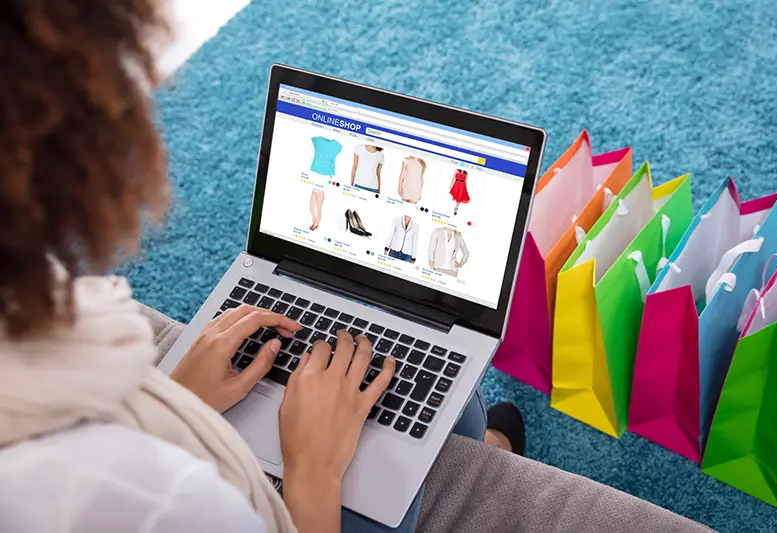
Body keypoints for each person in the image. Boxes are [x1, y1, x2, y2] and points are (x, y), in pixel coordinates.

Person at [0, 2, 526, 533]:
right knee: (426, 373)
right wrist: (313, 469)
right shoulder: (158, 501)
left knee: (431, 365)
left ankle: (478, 443)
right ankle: (485, 450)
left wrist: (181, 403)